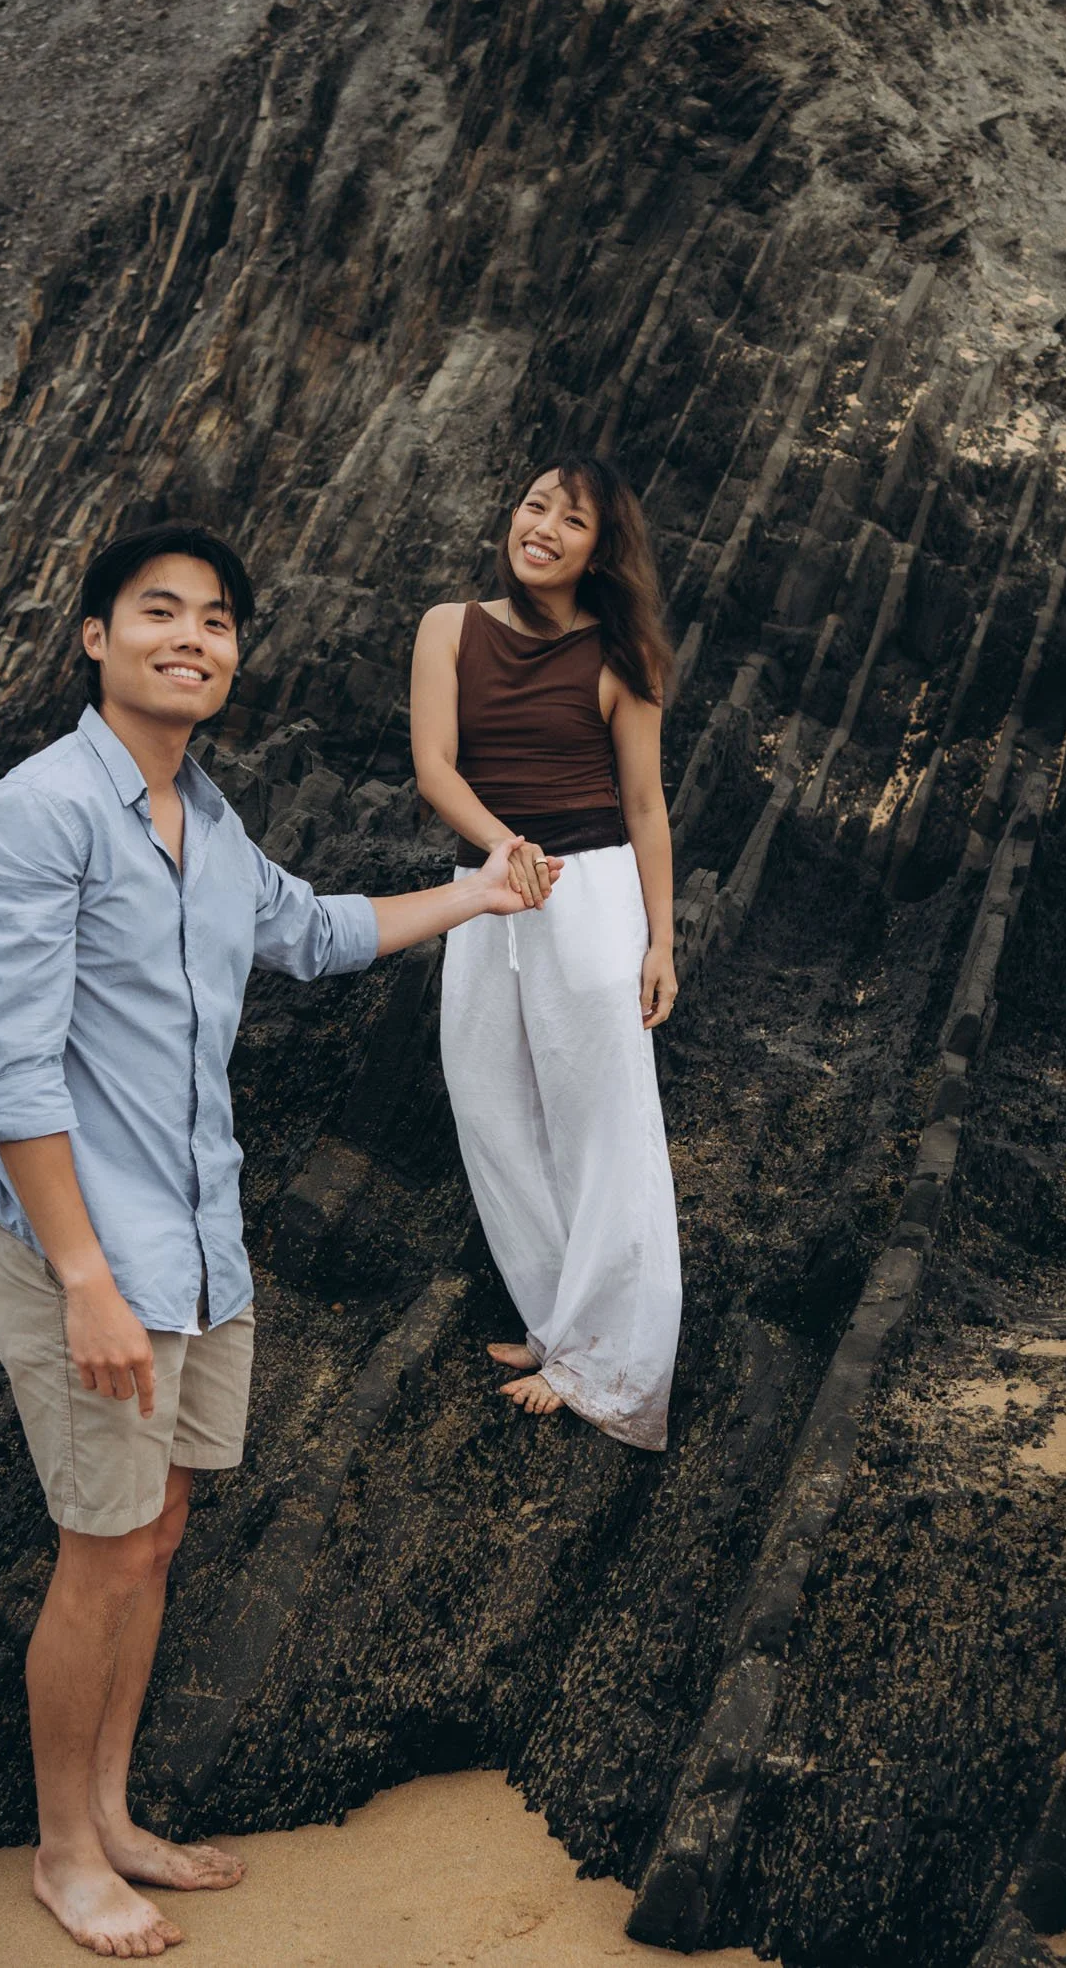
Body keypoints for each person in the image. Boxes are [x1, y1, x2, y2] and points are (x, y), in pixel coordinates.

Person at [0, 520, 553, 1963]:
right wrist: (83, 1280)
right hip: (90, 1259)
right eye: (159, 613)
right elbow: (15, 1077)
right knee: (98, 1549)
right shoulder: (32, 817)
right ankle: (63, 1853)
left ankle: (115, 1812)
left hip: (202, 1247)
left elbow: (314, 932)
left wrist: (477, 889)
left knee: (155, 1530)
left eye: (217, 621)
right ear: (94, 639)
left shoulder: (205, 821)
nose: (192, 639)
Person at [410, 457, 681, 1449]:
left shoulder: (621, 657)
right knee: (489, 1105)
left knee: (604, 1128)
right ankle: (560, 1322)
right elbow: (432, 766)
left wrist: (661, 939)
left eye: (569, 521)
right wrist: (500, 846)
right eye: (533, 507)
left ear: (598, 549)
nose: (542, 529)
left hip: (591, 895)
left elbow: (645, 806)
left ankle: (612, 1365)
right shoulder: (448, 626)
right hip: (486, 890)